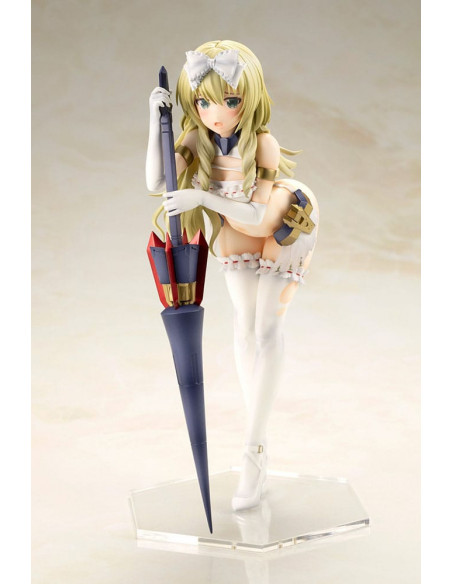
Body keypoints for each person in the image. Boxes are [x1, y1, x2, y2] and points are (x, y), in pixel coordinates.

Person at [146, 40, 319, 511]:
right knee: (243, 328)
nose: (216, 114)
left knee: (266, 329)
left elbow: (261, 215)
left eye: (230, 100)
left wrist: (202, 198)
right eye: (204, 103)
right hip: (237, 230)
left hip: (283, 224)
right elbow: (157, 182)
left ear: (250, 96)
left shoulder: (261, 143)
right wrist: (155, 122)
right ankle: (256, 443)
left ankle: (253, 450)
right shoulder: (196, 140)